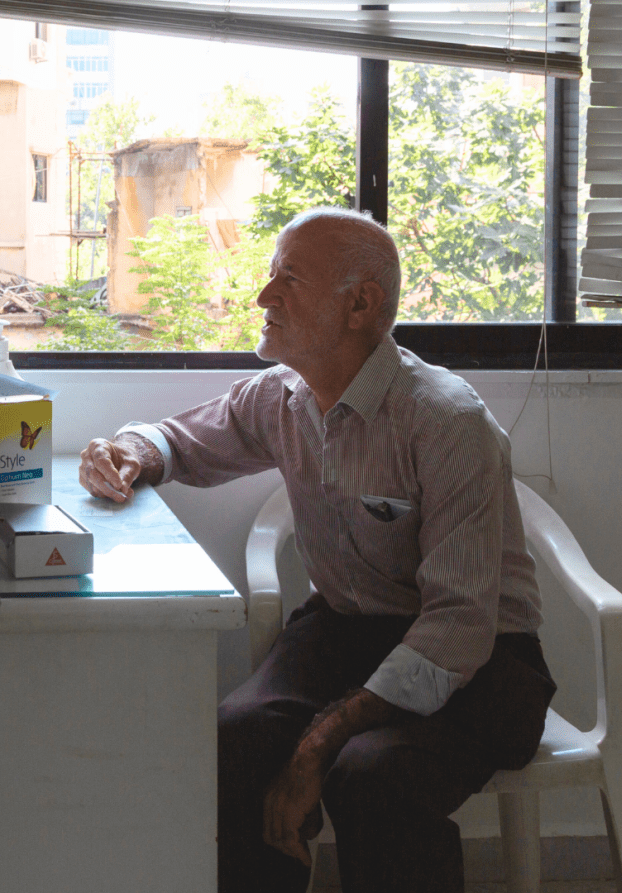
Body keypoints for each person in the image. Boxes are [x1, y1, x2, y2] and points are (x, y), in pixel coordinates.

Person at [78, 207, 556, 893]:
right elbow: (178, 441)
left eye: (289, 281)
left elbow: (457, 628)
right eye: (271, 277)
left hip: (481, 661)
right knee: (237, 737)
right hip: (346, 630)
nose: (263, 297)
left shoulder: (447, 421)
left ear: (360, 303)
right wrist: (125, 452)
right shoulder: (283, 395)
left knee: (371, 774)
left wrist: (318, 741)